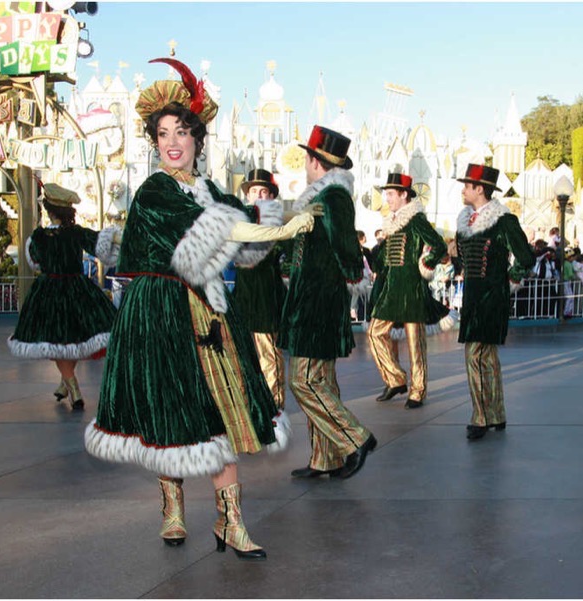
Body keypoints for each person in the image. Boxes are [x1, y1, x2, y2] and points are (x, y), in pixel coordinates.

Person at [84, 58, 316, 560]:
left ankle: (231, 522)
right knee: (170, 413)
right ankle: (172, 509)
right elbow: (224, 228)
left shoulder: (208, 189)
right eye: (164, 132)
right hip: (160, 310)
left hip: (207, 312)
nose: (172, 141)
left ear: (197, 139)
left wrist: (274, 215)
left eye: (182, 131)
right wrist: (280, 226)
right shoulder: (155, 191)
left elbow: (238, 232)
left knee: (220, 415)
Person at [277, 124, 377, 480]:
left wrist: (353, 277)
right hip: (313, 297)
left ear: (312, 160)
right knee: (322, 379)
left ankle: (354, 438)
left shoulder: (333, 196)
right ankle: (326, 458)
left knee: (303, 382)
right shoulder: (323, 196)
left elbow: (345, 245)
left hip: (318, 301)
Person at [7, 184, 119, 410]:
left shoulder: (38, 237)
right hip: (77, 288)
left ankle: (74, 388)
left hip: (49, 290)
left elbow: (35, 262)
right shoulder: (77, 233)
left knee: (58, 340)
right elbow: (102, 245)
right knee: (73, 337)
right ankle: (65, 383)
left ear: (49, 211)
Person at [448, 164, 535, 440]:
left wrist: (507, 282)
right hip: (473, 298)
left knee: (474, 354)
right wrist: (453, 254)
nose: (463, 190)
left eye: (467, 185)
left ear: (480, 189)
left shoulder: (503, 221)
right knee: (486, 357)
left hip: (492, 297)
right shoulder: (465, 222)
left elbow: (526, 258)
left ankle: (481, 417)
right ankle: (496, 414)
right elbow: (465, 263)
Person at [367, 172, 451, 410]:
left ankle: (418, 390)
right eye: (386, 194)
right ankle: (395, 378)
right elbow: (385, 258)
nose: (388, 199)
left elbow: (439, 244)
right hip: (391, 290)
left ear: (404, 195)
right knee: (375, 333)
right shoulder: (392, 223)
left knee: (416, 343)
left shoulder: (416, 220)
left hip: (412, 288)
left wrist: (426, 263)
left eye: (391, 194)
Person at [231, 169, 289, 411]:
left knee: (269, 352)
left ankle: (274, 403)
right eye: (254, 191)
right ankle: (248, 401)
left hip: (267, 294)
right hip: (243, 294)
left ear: (271, 196)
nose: (258, 195)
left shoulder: (278, 224)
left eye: (263, 191)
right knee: (242, 351)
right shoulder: (239, 221)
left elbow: (287, 256)